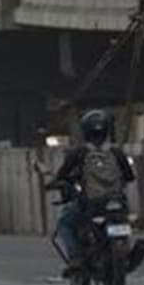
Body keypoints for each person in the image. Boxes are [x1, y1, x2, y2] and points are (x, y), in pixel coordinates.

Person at [48, 109, 135, 275]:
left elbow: (62, 176)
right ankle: (124, 252)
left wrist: (55, 183)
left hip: (91, 203)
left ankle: (76, 258)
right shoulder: (116, 152)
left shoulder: (79, 152)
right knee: (124, 220)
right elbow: (130, 177)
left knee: (65, 223)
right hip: (118, 202)